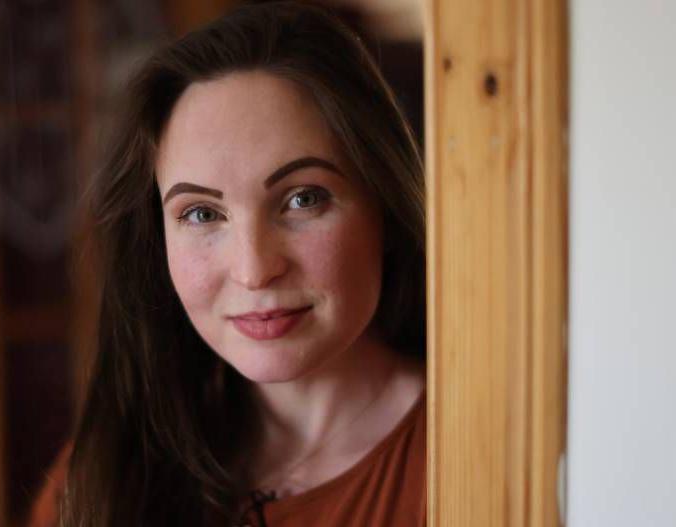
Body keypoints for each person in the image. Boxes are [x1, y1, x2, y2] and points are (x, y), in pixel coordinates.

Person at [58, 2, 426, 525]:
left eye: (303, 199)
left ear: (384, 208)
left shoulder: (473, 454)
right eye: (203, 213)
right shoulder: (104, 475)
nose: (254, 270)